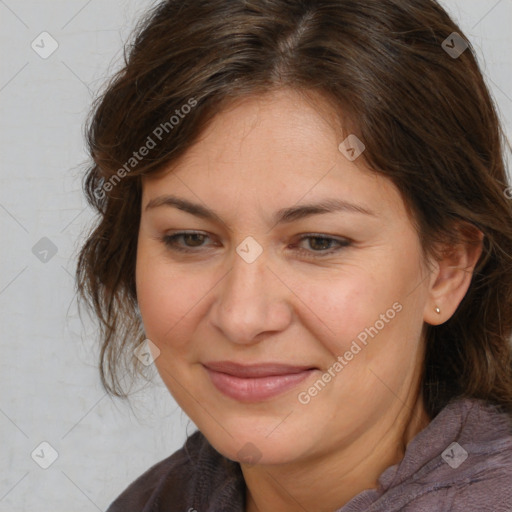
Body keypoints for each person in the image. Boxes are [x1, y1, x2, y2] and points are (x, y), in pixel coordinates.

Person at [76, 0, 512, 510]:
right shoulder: (157, 500)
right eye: (191, 238)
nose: (242, 317)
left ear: (447, 268)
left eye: (318, 242)